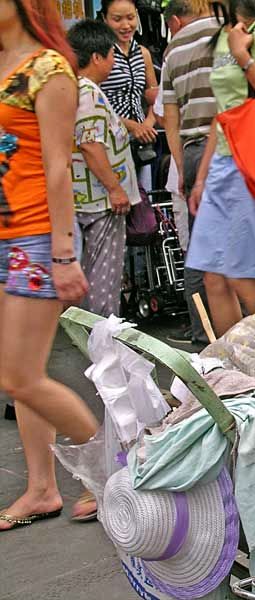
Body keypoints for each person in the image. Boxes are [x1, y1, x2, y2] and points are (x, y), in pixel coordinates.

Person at [0, 0, 99, 530]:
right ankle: (41, 488)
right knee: (20, 377)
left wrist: (63, 254)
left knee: (18, 375)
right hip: (4, 235)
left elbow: (59, 167)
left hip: (38, 238)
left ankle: (108, 470)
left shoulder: (49, 69)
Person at [185, 0, 255, 336]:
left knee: (240, 273)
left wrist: (243, 57)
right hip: (221, 164)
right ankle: (238, 365)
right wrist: (201, 179)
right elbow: (223, 113)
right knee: (213, 275)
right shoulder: (225, 35)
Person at [69, 19, 140, 318]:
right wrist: (115, 188)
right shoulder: (89, 92)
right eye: (111, 53)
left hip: (88, 197)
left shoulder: (74, 88)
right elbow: (90, 143)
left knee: (93, 270)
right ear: (96, 57)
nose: (114, 59)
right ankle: (102, 340)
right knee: (103, 275)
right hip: (100, 201)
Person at [160, 0, 219, 345]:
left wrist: (183, 167)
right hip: (230, 147)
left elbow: (171, 117)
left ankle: (203, 331)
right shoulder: (226, 34)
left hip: (193, 152)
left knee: (201, 250)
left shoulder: (173, 48)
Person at [98, 0, 158, 189]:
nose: (126, 25)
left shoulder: (143, 54)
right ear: (104, 19)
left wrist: (147, 124)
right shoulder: (99, 54)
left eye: (131, 18)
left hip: (142, 143)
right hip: (109, 141)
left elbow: (155, 97)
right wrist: (131, 125)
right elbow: (93, 103)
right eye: (117, 19)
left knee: (144, 201)